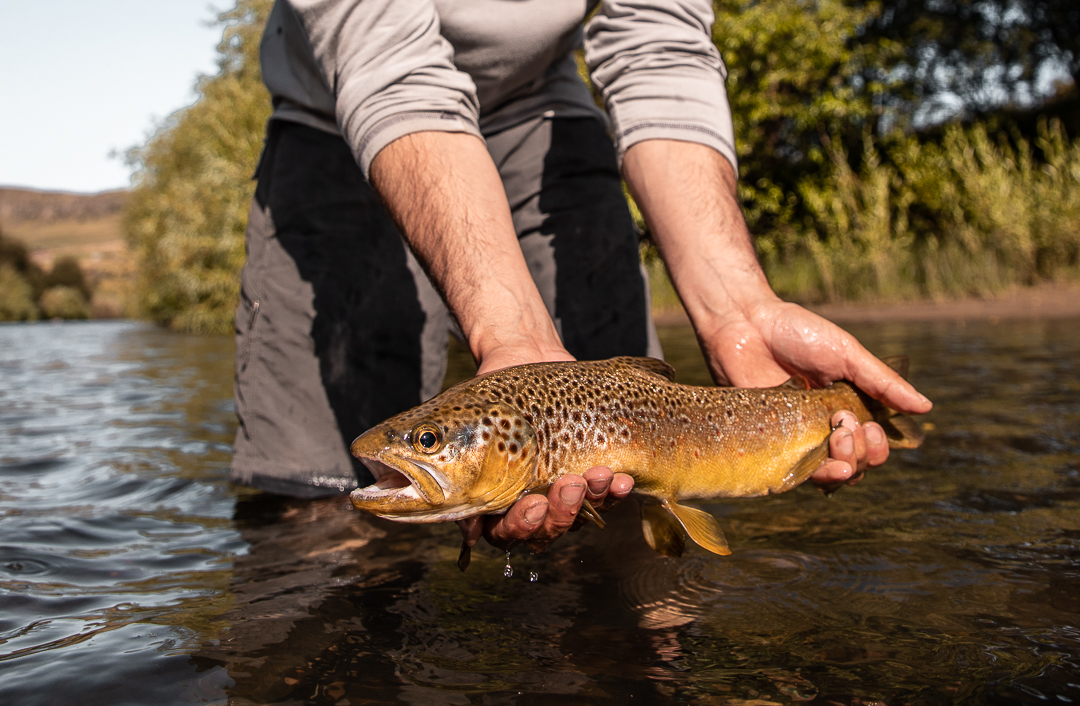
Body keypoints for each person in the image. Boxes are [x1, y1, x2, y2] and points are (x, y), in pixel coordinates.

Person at [231, 0, 933, 552]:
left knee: (621, 528)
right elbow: (388, 63)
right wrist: (513, 337)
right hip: (333, 113)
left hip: (542, 109)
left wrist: (737, 307)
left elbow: (659, 50)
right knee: (317, 519)